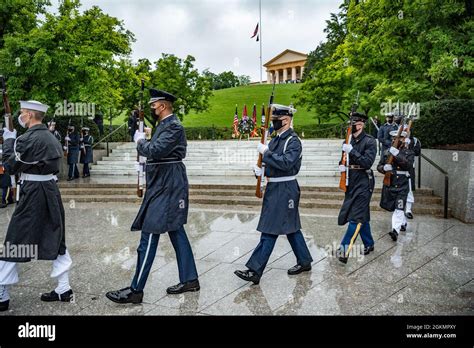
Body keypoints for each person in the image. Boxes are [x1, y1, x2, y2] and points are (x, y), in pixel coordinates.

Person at [106, 89, 199, 304]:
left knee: (149, 233)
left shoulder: (173, 126)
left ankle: (136, 289)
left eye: (154, 105)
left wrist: (140, 142)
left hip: (168, 185)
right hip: (164, 182)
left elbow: (156, 149)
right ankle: (190, 279)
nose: (152, 108)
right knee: (176, 230)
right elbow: (156, 152)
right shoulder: (164, 126)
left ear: (163, 106)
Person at [0, 100, 73, 312]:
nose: (20, 116)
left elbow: (10, 165)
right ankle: (64, 288)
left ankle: (2, 294)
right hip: (50, 190)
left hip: (32, 192)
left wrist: (8, 141)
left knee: (15, 239)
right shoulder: (52, 136)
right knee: (56, 236)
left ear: (31, 115)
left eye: (23, 112)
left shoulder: (26, 139)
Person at [234, 104, 313, 285]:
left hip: (285, 189)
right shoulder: (276, 139)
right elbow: (272, 163)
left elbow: (286, 163)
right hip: (275, 188)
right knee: (291, 228)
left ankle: (255, 270)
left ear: (286, 120)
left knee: (269, 230)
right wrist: (260, 171)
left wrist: (266, 153)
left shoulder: (293, 141)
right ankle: (304, 260)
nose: (273, 124)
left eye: (276, 120)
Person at [336, 112, 377, 264]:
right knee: (361, 213)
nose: (352, 125)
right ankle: (369, 243)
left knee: (356, 217)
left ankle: (344, 249)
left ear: (361, 124)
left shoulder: (369, 141)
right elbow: (344, 158)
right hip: (351, 179)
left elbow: (367, 162)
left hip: (364, 180)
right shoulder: (348, 140)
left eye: (354, 123)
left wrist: (351, 150)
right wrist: (341, 164)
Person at [377, 129, 415, 242]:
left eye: (398, 138)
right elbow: (379, 166)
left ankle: (395, 230)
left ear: (404, 139)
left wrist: (397, 154)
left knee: (399, 207)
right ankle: (403, 223)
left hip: (402, 185)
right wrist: (383, 169)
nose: (395, 140)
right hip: (391, 183)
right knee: (393, 207)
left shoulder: (409, 153)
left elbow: (408, 165)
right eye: (393, 138)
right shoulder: (387, 152)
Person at [405, 134, 421, 219]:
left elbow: (417, 152)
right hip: (396, 169)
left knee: (409, 189)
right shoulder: (395, 139)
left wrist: (408, 148)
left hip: (409, 167)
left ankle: (408, 210)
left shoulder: (414, 140)